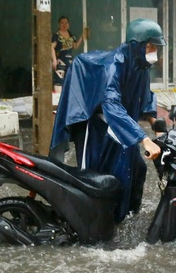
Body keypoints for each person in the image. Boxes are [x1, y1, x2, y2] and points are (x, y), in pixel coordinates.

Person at [50, 18, 164, 223]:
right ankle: (86, 222)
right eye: (150, 46)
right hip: (94, 122)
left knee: (136, 168)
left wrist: (156, 124)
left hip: (120, 125)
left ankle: (127, 217)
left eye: (156, 47)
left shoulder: (141, 66)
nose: (154, 51)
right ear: (136, 45)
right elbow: (111, 104)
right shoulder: (114, 65)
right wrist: (144, 139)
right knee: (95, 176)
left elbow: (145, 97)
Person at [51, 16, 87, 88]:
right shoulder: (56, 35)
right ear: (59, 24)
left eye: (66, 23)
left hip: (70, 62)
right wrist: (54, 60)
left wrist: (82, 37)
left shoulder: (71, 36)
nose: (64, 25)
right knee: (59, 82)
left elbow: (75, 46)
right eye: (62, 23)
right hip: (60, 61)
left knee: (70, 82)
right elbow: (51, 47)